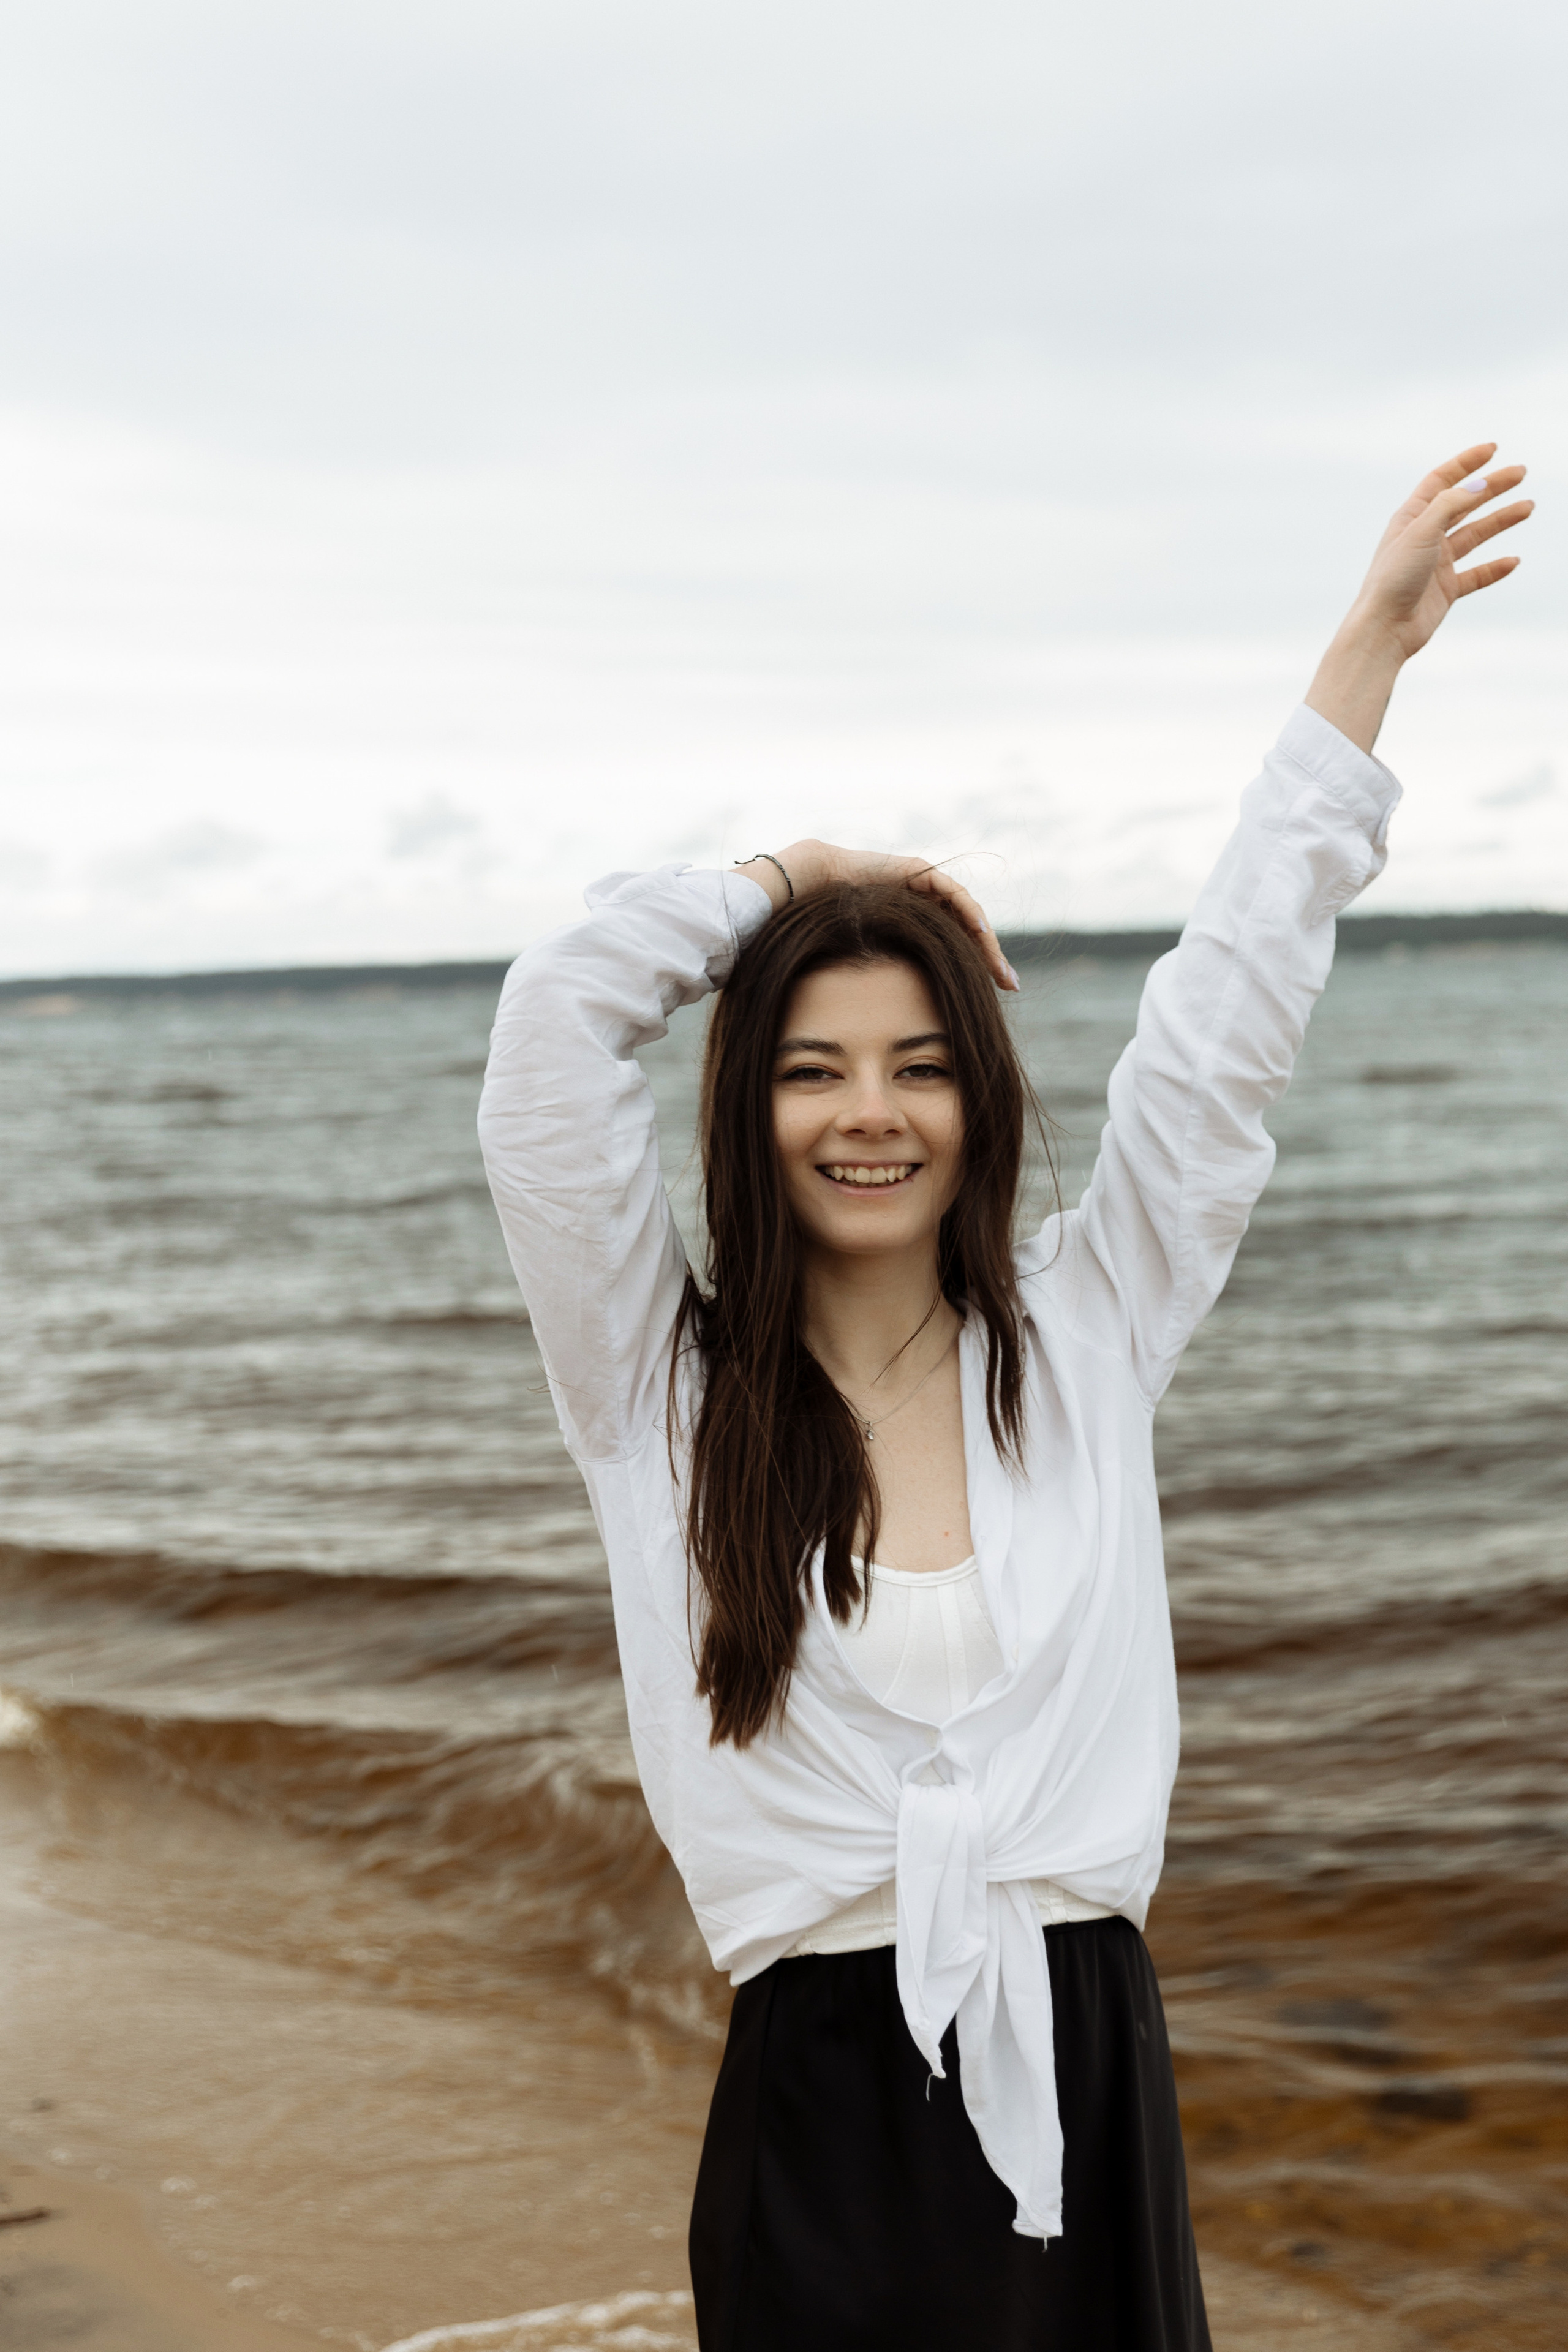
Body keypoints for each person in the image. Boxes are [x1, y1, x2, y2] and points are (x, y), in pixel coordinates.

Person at [477, 445, 1531, 2351]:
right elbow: (554, 1026)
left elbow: (1226, 1027)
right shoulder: (659, 1390)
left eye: (918, 1064)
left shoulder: (1089, 1327)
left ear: (978, 1095)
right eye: (812, 1069)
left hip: (1091, 2080)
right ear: (750, 1109)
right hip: (813, 2110)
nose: (869, 1114)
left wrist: (1367, 655)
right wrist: (803, 876)